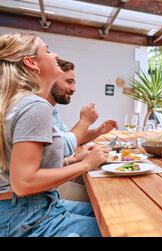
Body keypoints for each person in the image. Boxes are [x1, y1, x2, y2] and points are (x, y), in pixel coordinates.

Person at [0, 32, 109, 236]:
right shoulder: (34, 105)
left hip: (22, 208)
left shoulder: (14, 101)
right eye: (47, 50)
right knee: (121, 227)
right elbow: (24, 183)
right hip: (27, 215)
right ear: (31, 62)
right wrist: (87, 164)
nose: (55, 54)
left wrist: (73, 160)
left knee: (111, 214)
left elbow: (22, 167)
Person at [49, 58, 118, 158]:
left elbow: (71, 138)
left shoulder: (52, 111)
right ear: (50, 79)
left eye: (74, 83)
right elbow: (62, 148)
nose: (73, 89)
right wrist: (85, 121)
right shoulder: (39, 109)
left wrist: (98, 131)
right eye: (69, 82)